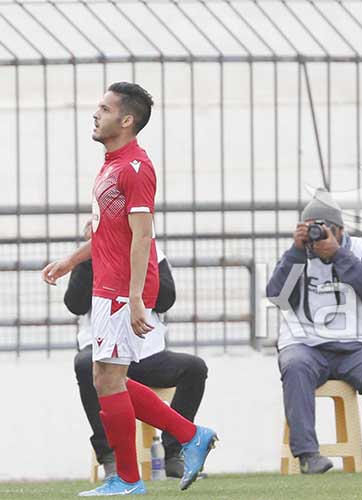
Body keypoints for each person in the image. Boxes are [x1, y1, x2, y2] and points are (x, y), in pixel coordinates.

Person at [41, 82, 216, 496]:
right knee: (106, 378)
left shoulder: (136, 168)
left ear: (126, 120)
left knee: (109, 378)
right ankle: (188, 435)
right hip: (108, 286)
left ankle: (130, 478)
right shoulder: (110, 165)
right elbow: (108, 233)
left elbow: (143, 238)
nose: (95, 114)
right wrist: (71, 260)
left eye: (103, 108)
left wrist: (136, 298)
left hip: (123, 290)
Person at [266, 190, 362, 474]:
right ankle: (308, 456)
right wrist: (297, 252)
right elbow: (278, 297)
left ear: (341, 230)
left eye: (324, 230)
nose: (318, 236)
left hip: (355, 347)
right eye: (312, 229)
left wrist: (339, 255)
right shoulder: (296, 254)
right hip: (304, 344)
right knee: (295, 366)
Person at [69, 224, 208, 480]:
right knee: (84, 363)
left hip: (146, 351)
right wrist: (94, 254)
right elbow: (74, 303)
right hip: (103, 349)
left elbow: (166, 298)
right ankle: (110, 457)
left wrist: (140, 260)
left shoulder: (152, 251)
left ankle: (175, 452)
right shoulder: (91, 253)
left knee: (194, 368)